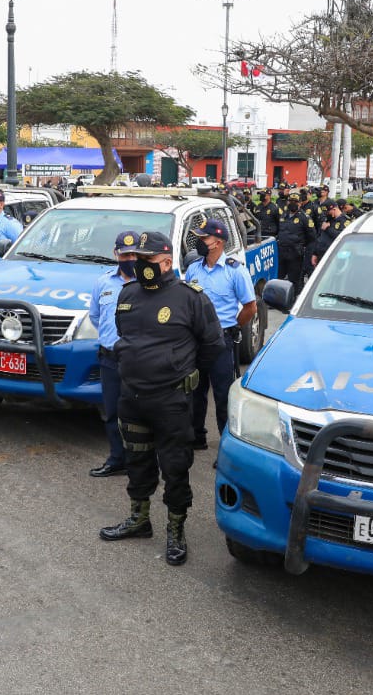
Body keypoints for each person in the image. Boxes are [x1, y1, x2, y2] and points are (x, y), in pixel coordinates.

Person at [99, 231, 224, 566]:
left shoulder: (191, 298)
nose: (138, 265)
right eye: (136, 260)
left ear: (167, 262)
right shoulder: (128, 295)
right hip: (132, 398)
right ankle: (139, 519)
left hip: (171, 401)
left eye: (147, 260)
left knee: (175, 466)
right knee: (136, 462)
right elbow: (126, 337)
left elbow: (213, 346)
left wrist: (182, 374)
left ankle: (175, 529)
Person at [185, 219, 257, 451]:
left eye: (204, 238)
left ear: (218, 242)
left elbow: (250, 307)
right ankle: (197, 436)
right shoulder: (194, 268)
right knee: (195, 390)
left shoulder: (235, 271)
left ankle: (227, 446)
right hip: (195, 340)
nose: (199, 242)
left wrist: (232, 328)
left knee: (223, 395)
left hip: (221, 340)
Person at [87, 230, 140, 478]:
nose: (129, 258)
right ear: (115, 254)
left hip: (139, 361)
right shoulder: (103, 282)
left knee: (141, 413)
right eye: (124, 254)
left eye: (133, 254)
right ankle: (117, 459)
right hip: (109, 357)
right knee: (112, 412)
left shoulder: (149, 283)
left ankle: (141, 462)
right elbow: (96, 317)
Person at [276, 193, 316, 292]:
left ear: (300, 203)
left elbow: (312, 236)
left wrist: (302, 247)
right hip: (281, 251)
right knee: (279, 278)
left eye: (295, 201)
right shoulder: (283, 215)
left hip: (295, 253)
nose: (292, 203)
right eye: (291, 201)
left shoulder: (304, 217)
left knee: (294, 279)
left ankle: (294, 301)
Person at [312, 197, 351, 267]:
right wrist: (315, 253)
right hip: (321, 254)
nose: (326, 214)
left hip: (334, 256)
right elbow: (320, 238)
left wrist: (328, 228)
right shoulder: (328, 220)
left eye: (327, 212)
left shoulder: (345, 221)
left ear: (334, 209)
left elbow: (341, 236)